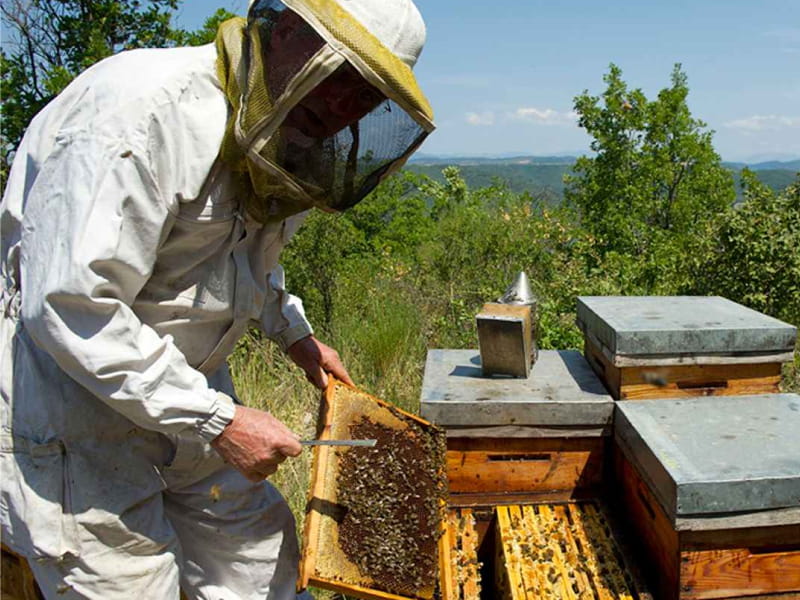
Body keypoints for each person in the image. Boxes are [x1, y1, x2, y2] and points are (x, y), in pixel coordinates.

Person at [0, 0, 434, 597]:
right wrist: (218, 419)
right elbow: (73, 301)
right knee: (129, 585)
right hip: (78, 413)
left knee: (263, 568)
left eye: (364, 96)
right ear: (286, 32)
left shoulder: (280, 129)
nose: (342, 108)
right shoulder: (141, 110)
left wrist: (294, 334)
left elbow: (244, 258)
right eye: (340, 78)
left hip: (189, 394)